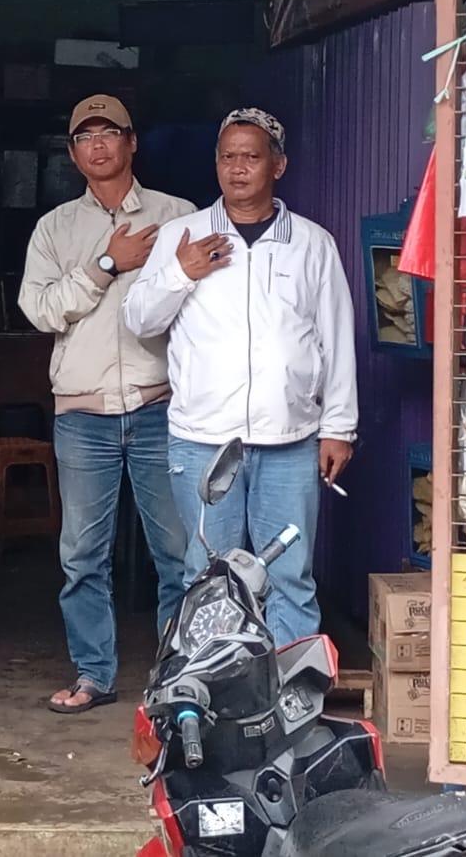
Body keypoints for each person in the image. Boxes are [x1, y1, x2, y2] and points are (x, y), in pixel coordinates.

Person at [122, 108, 357, 648]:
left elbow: (336, 337)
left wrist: (338, 427)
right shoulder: (183, 236)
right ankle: (213, 688)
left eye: (251, 157)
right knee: (209, 576)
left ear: (278, 166)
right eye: (227, 157)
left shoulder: (312, 243)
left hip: (289, 440)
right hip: (204, 440)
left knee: (289, 576)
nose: (237, 168)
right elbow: (139, 320)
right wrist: (181, 271)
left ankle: (290, 689)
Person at [17, 94, 193, 714]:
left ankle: (177, 678)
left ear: (131, 142)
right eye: (85, 136)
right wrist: (106, 265)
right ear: (72, 154)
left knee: (178, 555)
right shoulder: (55, 228)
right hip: (83, 415)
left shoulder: (178, 217)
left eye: (109, 132)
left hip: (158, 406)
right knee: (81, 558)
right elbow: (40, 310)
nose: (98, 144)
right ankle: (93, 674)